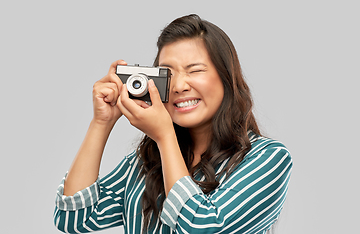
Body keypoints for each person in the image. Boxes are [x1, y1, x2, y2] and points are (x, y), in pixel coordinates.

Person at [54, 14, 293, 234]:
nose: (179, 86)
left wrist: (165, 136)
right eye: (168, 74)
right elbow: (73, 218)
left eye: (194, 70)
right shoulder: (146, 162)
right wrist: (101, 122)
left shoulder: (268, 159)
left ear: (225, 77)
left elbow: (199, 226)